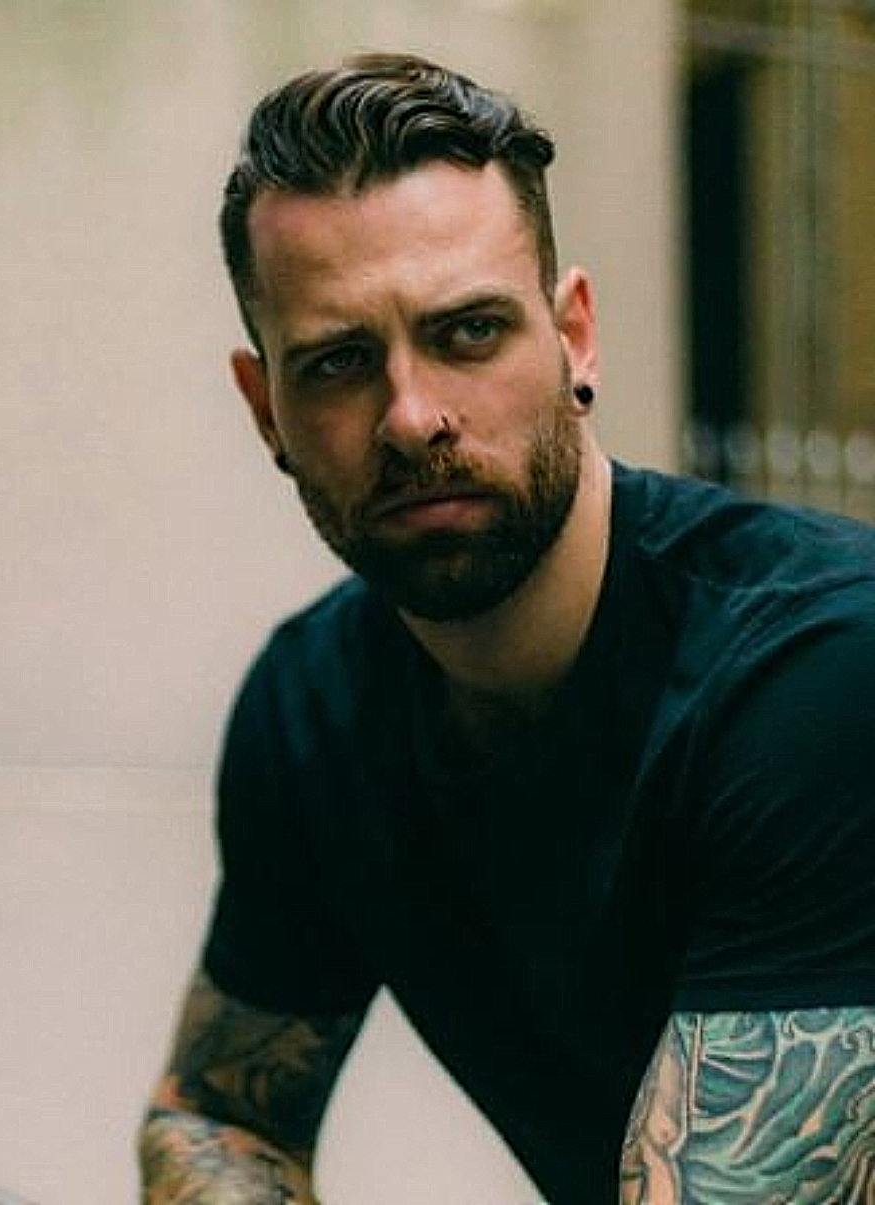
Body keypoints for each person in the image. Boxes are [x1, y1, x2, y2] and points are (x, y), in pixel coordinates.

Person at [137, 51, 875, 1204]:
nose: (412, 415)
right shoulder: (313, 709)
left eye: (468, 332)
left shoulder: (817, 674)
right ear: (264, 405)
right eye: (338, 363)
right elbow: (222, 1115)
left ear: (574, 335)